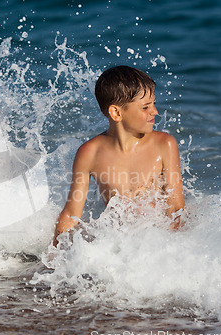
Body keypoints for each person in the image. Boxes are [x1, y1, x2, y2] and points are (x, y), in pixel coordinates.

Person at [53, 65, 185, 246]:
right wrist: (53, 262)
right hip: (116, 242)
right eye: (146, 107)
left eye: (153, 103)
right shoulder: (90, 153)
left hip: (157, 240)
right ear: (116, 112)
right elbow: (70, 214)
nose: (154, 111)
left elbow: (176, 209)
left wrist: (176, 251)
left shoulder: (164, 145)